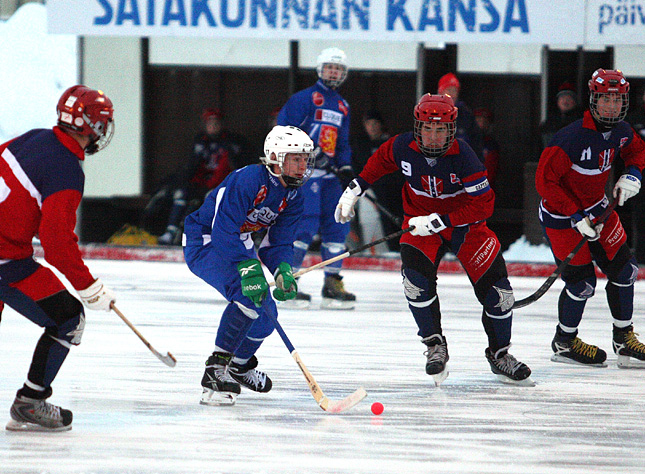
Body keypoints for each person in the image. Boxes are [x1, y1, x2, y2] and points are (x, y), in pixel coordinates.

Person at [335, 94, 533, 386]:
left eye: (441, 130)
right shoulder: (402, 145)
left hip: (465, 226)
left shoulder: (465, 156)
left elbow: (484, 205)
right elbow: (379, 161)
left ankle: (500, 354)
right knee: (415, 284)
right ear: (417, 127)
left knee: (500, 295)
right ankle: (434, 345)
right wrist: (356, 188)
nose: (434, 136)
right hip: (418, 225)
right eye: (428, 128)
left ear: (452, 130)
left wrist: (442, 221)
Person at [0, 85, 117, 431]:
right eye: (103, 123)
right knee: (69, 318)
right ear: (92, 127)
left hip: (8, 252)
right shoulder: (66, 170)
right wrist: (89, 287)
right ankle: (31, 402)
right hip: (6, 260)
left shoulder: (35, 137)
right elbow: (56, 244)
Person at [183, 125, 314, 405]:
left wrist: (282, 271)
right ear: (276, 158)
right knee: (246, 295)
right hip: (205, 240)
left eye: (305, 159)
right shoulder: (248, 180)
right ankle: (215, 370)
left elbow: (277, 243)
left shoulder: (295, 195)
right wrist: (248, 268)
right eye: (296, 159)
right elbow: (221, 231)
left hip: (236, 240)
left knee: (267, 314)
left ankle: (239, 365)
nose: (303, 166)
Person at [536, 69, 645, 368]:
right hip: (562, 218)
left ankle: (623, 339)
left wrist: (631, 174)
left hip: (600, 209)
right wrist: (574, 214)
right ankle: (564, 341)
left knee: (625, 271)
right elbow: (545, 183)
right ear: (593, 100)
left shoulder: (622, 130)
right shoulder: (569, 138)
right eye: (605, 100)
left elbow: (636, 149)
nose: (611, 106)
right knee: (581, 284)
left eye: (617, 100)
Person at [276, 47, 356, 309]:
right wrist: (311, 152)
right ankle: (289, 282)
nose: (333, 72)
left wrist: (345, 167)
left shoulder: (343, 105)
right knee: (304, 226)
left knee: (338, 224)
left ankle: (332, 282)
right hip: (305, 172)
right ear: (320, 69)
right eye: (329, 67)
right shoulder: (304, 98)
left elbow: (342, 143)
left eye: (338, 69)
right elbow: (284, 129)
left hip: (330, 177)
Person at [142, 108, 251, 245]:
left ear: (221, 125)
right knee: (181, 193)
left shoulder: (230, 143)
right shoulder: (201, 141)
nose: (213, 127)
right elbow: (192, 166)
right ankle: (171, 231)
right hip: (201, 183)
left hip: (219, 184)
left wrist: (208, 186)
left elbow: (227, 169)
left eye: (216, 123)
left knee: (212, 197)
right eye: (209, 124)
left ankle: (211, 236)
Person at [351, 110, 404, 252]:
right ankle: (375, 253)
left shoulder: (390, 144)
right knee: (369, 224)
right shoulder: (360, 146)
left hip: (391, 194)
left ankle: (394, 252)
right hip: (369, 194)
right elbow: (355, 171)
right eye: (369, 124)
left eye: (375, 123)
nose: (372, 127)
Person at [437, 72, 484, 162]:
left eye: (455, 90)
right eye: (449, 90)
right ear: (441, 91)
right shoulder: (431, 112)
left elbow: (476, 143)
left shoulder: (466, 114)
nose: (452, 94)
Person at [539, 82, 584, 149]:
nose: (565, 101)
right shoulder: (549, 122)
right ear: (558, 101)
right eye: (562, 97)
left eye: (569, 98)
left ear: (575, 101)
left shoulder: (581, 122)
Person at [473, 107, 500, 190]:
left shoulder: (490, 145)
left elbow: (490, 171)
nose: (480, 123)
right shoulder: (467, 141)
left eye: (483, 120)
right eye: (478, 120)